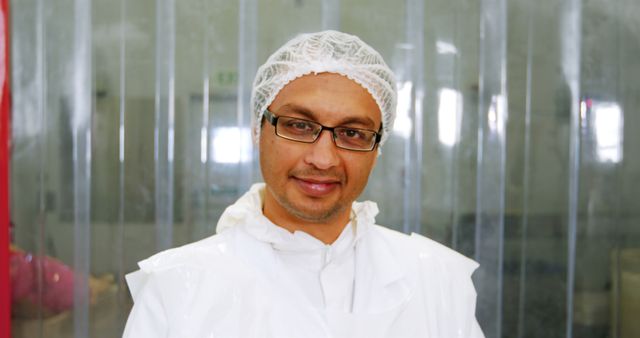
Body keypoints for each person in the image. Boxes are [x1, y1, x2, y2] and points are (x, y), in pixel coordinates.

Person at [123, 30, 484, 338]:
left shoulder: (437, 281)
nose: (323, 159)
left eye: (353, 133)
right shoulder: (179, 289)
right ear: (257, 130)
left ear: (377, 149)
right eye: (298, 125)